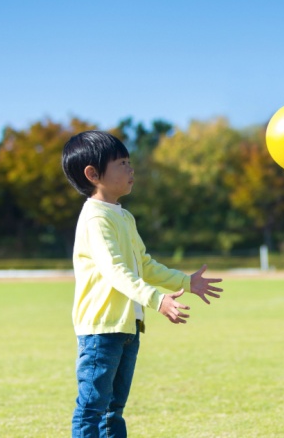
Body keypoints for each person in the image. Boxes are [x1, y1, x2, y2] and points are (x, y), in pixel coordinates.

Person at [62, 130, 224, 437]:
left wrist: (185, 281)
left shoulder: (123, 216)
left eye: (129, 161)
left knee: (113, 410)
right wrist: (158, 299)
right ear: (93, 174)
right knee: (92, 408)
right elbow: (115, 271)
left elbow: (143, 264)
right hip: (101, 330)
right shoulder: (96, 219)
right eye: (122, 162)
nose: (130, 168)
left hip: (126, 328)